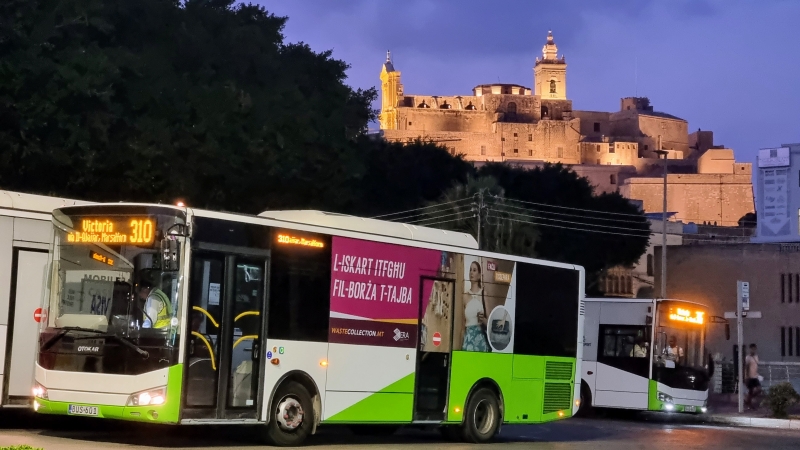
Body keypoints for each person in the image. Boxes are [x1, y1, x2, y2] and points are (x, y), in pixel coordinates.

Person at [462, 261, 489, 352]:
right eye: (470, 270)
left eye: (474, 270)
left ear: (479, 275)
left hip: (480, 339)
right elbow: (462, 323)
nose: (471, 272)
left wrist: (482, 319)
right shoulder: (465, 296)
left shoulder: (483, 294)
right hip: (468, 338)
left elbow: (489, 323)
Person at [744, 343, 762, 409]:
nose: (753, 350)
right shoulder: (748, 357)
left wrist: (757, 374)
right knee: (751, 391)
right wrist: (746, 377)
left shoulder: (756, 357)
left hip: (755, 376)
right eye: (752, 349)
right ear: (750, 349)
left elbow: (756, 366)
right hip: (749, 377)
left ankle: (747, 400)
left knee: (759, 389)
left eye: (754, 349)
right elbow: (746, 367)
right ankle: (749, 404)